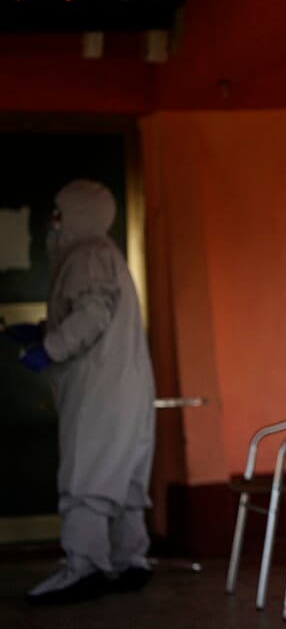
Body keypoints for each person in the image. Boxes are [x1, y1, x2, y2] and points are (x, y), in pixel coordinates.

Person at [8, 179, 155, 605]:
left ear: (78, 212)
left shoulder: (87, 255)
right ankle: (131, 560)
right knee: (124, 474)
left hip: (99, 390)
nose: (51, 222)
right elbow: (95, 312)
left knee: (86, 473)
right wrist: (41, 330)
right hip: (125, 386)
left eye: (59, 212)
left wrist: (49, 347)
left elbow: (91, 315)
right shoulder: (104, 255)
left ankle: (84, 565)